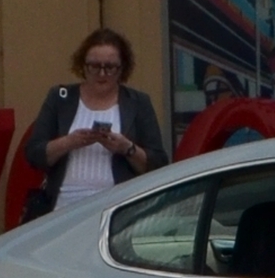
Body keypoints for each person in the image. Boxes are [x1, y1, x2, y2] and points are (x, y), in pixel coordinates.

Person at [20, 29, 168, 219]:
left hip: (118, 209)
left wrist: (126, 148)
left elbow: (158, 164)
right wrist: (69, 142)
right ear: (83, 66)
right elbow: (33, 154)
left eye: (110, 67)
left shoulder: (138, 102)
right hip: (63, 208)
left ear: (122, 68)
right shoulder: (60, 98)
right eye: (94, 66)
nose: (102, 73)